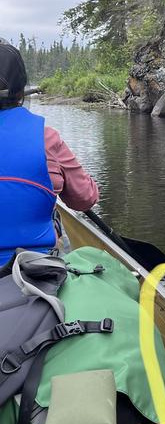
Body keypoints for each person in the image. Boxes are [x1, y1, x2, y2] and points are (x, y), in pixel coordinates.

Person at [0, 40, 99, 266]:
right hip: (36, 267)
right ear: (20, 92)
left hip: (29, 268)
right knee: (55, 223)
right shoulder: (46, 138)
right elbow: (85, 199)